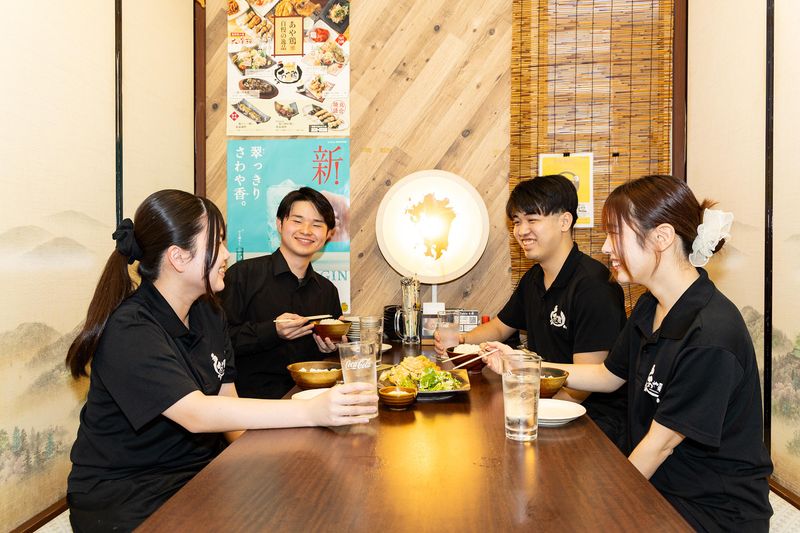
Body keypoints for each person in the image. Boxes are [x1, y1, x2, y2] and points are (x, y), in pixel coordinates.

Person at [65, 190, 376, 532]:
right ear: (178, 257)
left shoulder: (209, 313)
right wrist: (310, 412)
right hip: (128, 493)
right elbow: (197, 413)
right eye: (217, 243)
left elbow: (228, 402)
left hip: (200, 474)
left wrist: (273, 462)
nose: (226, 254)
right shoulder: (131, 327)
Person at [485, 175, 773, 531]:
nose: (606, 247)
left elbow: (659, 447)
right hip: (661, 485)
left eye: (616, 234)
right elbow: (606, 376)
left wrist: (600, 505)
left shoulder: (710, 334)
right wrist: (524, 364)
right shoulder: (651, 305)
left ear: (661, 237)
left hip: (710, 511)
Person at [436, 175, 627, 446]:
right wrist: (462, 341)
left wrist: (533, 413)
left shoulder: (593, 285)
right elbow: (500, 327)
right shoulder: (534, 277)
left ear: (565, 221)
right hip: (544, 403)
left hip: (591, 422)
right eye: (516, 221)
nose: (521, 231)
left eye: (532, 219)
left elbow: (586, 380)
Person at [219, 187, 343, 399]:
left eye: (317, 224)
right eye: (297, 221)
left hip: (311, 400)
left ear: (328, 234)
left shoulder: (327, 290)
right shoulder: (242, 275)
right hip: (252, 403)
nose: (306, 230)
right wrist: (272, 331)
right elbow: (219, 342)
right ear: (279, 224)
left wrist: (330, 348)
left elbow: (328, 354)